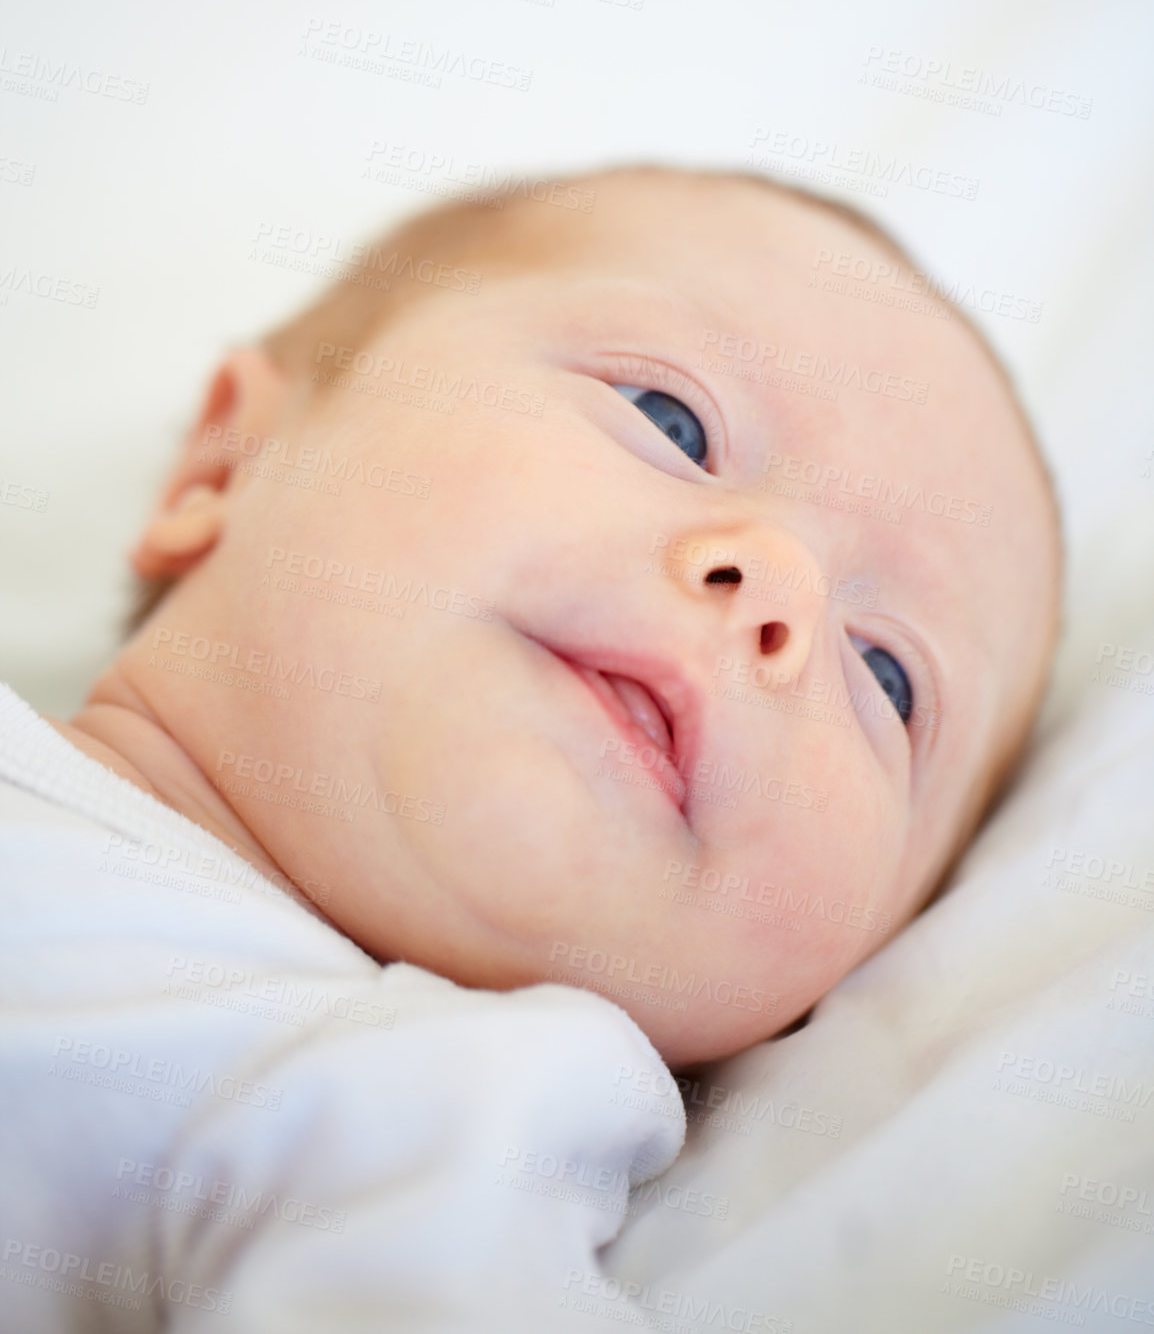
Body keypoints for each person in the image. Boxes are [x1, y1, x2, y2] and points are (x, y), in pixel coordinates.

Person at [0, 165, 1062, 1328]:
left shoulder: (439, 1110)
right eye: (670, 421)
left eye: (888, 676)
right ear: (227, 462)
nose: (779, 590)